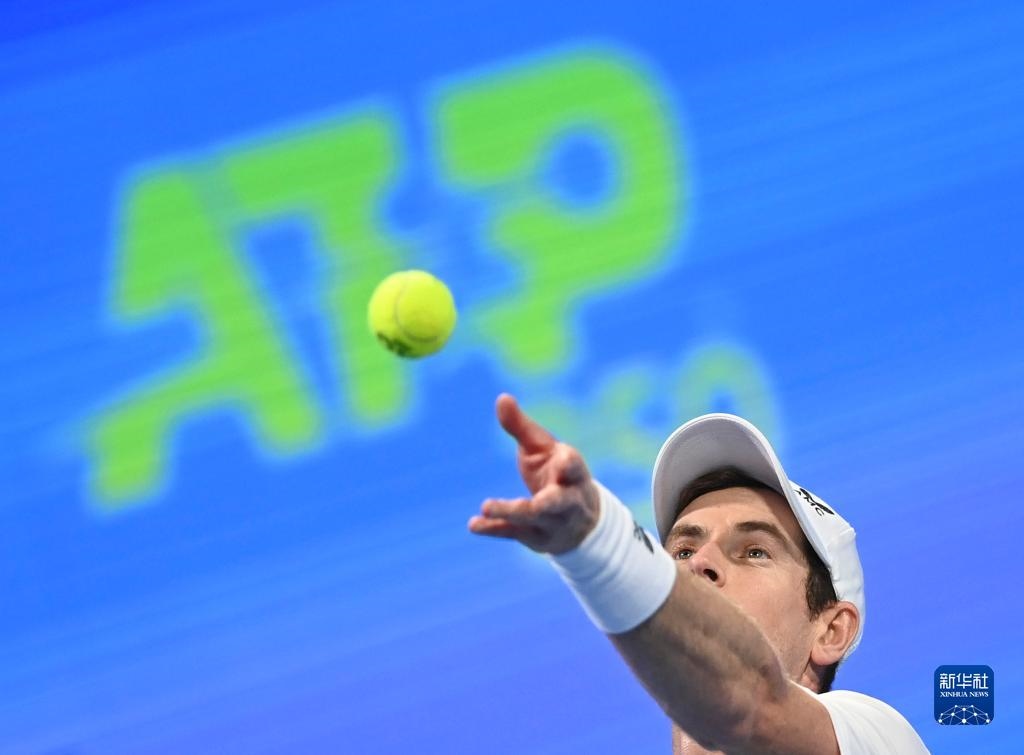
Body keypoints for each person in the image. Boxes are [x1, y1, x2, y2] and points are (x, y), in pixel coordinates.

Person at [469, 394, 928, 754]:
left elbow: (749, 706)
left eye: (754, 551)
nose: (698, 562)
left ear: (831, 630)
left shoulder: (880, 738)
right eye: (683, 549)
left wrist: (596, 541)